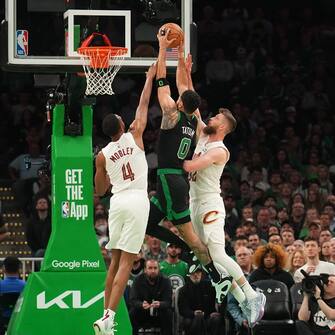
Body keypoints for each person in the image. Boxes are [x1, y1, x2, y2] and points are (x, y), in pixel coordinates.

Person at [145, 29, 232, 302]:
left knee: (191, 238)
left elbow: (161, 80)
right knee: (148, 225)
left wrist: (162, 48)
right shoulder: (195, 122)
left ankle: (216, 276)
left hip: (171, 180)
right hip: (170, 183)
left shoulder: (171, 114)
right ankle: (193, 254)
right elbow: (186, 90)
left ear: (179, 103)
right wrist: (184, 67)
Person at [183, 107, 266, 326]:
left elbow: (190, 165)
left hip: (210, 203)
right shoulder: (203, 134)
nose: (211, 118)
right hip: (195, 203)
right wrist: (184, 71)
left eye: (216, 117)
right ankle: (242, 299)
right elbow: (190, 99)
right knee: (206, 258)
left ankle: (252, 295)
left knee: (218, 254)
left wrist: (168, 157)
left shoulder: (220, 150)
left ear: (222, 126)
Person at [92, 63, 156, 335]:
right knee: (127, 264)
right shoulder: (135, 134)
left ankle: (106, 317)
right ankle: (108, 317)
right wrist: (150, 77)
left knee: (115, 263)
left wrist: (99, 168)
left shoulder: (102, 155)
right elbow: (143, 103)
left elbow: (100, 190)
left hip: (116, 203)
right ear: (121, 124)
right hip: (137, 200)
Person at [129, 259, 173, 335]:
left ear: (159, 269)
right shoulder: (138, 280)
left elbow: (168, 302)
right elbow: (133, 300)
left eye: (155, 268)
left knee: (168, 313)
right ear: (145, 270)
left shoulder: (166, 281)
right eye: (150, 268)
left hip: (159, 312)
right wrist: (141, 304)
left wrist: (160, 304)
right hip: (143, 312)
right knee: (132, 312)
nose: (153, 271)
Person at [178, 265, 224, 335]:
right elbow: (182, 309)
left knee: (216, 318)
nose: (195, 274)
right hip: (191, 317)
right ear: (189, 275)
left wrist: (210, 312)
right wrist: (194, 313)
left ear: (201, 274)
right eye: (193, 273)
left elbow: (213, 304)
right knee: (195, 318)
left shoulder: (209, 286)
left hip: (207, 315)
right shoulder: (183, 290)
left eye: (198, 272)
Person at [0, 256, 26, 326]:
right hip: (20, 319)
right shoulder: (26, 285)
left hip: (2, 320)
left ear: (4, 269)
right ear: (19, 269)